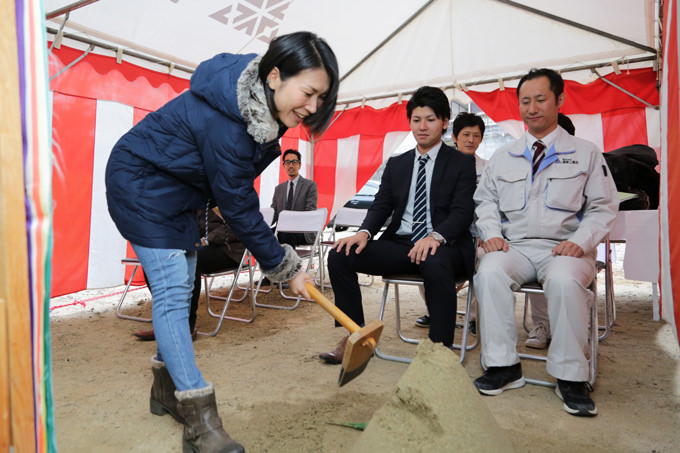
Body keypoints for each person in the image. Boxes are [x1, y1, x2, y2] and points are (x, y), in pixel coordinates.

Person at [105, 31, 339, 452]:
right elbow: (238, 205)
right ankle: (200, 423)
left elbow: (232, 192)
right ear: (273, 77)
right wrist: (285, 267)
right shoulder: (229, 123)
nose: (313, 107)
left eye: (321, 98)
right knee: (175, 294)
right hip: (140, 186)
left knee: (185, 282)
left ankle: (164, 390)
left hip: (179, 193)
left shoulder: (260, 110)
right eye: (308, 92)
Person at [472, 68, 618, 417]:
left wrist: (581, 241)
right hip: (516, 247)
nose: (532, 107)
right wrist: (491, 234)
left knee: (566, 281)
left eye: (540, 99)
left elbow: (603, 206)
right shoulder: (503, 156)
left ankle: (571, 377)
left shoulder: (585, 153)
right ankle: (503, 366)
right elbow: (485, 201)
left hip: (566, 247)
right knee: (488, 273)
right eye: (525, 101)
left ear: (559, 100)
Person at [320, 86, 476, 364]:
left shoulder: (461, 163)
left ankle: (439, 352)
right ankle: (356, 336)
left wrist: (436, 236)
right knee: (339, 255)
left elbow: (462, 212)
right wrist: (364, 233)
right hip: (403, 245)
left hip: (444, 247)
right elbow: (381, 205)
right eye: (416, 120)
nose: (422, 127)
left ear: (444, 121)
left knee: (435, 260)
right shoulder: (397, 164)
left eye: (429, 119)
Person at [415, 112, 486, 329]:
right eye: (465, 134)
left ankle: (474, 317)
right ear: (454, 137)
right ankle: (434, 311)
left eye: (476, 135)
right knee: (424, 254)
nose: (470, 140)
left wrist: (486, 234)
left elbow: (494, 205)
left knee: (486, 262)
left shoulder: (489, 168)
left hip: (477, 235)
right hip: (445, 234)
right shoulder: (439, 165)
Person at [133, 208, 246, 342]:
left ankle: (188, 325)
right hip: (197, 245)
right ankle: (168, 320)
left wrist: (204, 240)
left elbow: (238, 225)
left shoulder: (224, 193)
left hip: (227, 249)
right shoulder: (191, 198)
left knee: (191, 260)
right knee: (153, 262)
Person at [522, 112, 577, 349]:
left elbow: (598, 209)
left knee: (562, 273)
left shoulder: (582, 160)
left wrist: (580, 241)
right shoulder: (525, 164)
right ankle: (542, 325)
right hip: (530, 241)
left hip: (570, 243)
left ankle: (566, 330)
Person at [271, 148, 318, 246]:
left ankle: (289, 261)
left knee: (284, 233)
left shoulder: (310, 186)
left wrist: (290, 223)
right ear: (283, 165)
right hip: (282, 229)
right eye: (288, 162)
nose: (291, 165)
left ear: (299, 165)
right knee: (259, 234)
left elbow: (309, 212)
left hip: (303, 231)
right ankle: (268, 261)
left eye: (294, 162)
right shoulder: (279, 189)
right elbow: (273, 213)